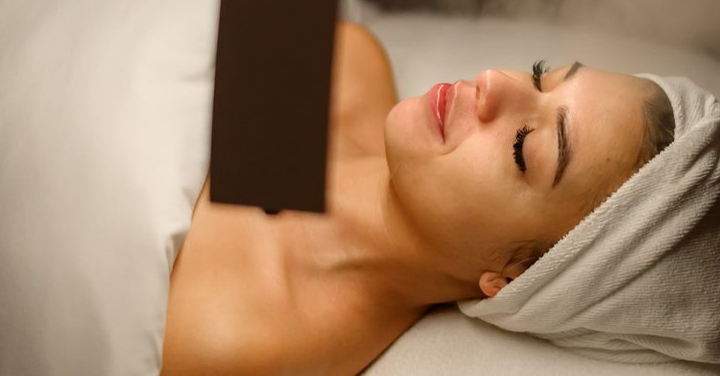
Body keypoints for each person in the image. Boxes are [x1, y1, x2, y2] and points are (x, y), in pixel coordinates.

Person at [162, 22, 677, 375]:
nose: (493, 82)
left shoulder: (235, 336)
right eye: (541, 76)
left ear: (512, 280)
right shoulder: (344, 57)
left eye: (524, 147)